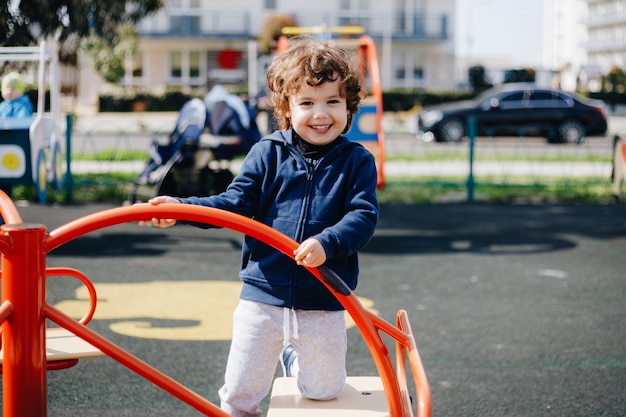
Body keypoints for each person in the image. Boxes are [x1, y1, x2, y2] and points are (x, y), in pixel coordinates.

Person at [142, 38, 379, 417]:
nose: (321, 114)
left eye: (333, 102)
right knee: (240, 394)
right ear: (287, 107)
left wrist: (327, 242)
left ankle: (294, 361)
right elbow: (232, 204)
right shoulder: (267, 153)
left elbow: (363, 216)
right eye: (307, 103)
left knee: (324, 390)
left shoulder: (356, 161)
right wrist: (182, 207)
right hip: (262, 295)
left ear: (348, 106)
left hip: (323, 296)